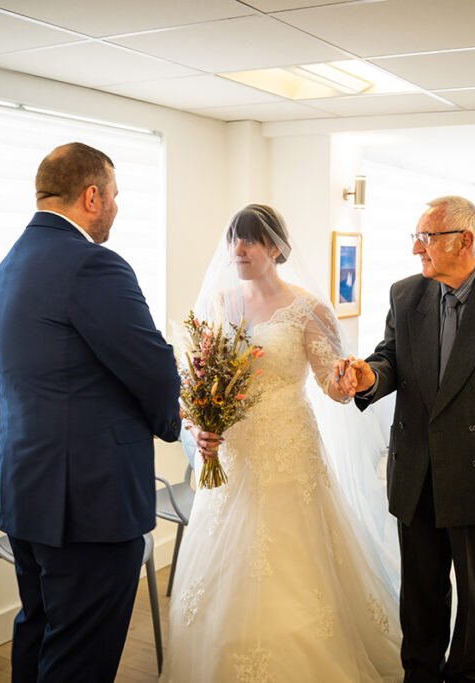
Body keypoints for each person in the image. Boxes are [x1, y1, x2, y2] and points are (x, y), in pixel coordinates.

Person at [161, 205, 403, 682]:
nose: (239, 250)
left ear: (275, 247)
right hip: (231, 456)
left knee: (291, 561)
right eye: (234, 240)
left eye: (250, 241)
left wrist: (346, 379)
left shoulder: (307, 308)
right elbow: (196, 385)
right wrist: (198, 428)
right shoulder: (221, 303)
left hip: (288, 448)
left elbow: (332, 386)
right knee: (223, 564)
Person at [0, 142, 181, 682]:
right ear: (92, 196)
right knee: (80, 659)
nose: (118, 206)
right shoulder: (94, 265)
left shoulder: (9, 265)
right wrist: (170, 425)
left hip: (28, 490)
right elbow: (155, 368)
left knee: (40, 631)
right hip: (88, 504)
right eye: (115, 195)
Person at [340, 196, 475, 683]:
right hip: (417, 471)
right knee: (419, 594)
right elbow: (389, 359)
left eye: (427, 237)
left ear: (465, 241)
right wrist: (366, 378)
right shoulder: (405, 294)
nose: (418, 248)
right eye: (416, 237)